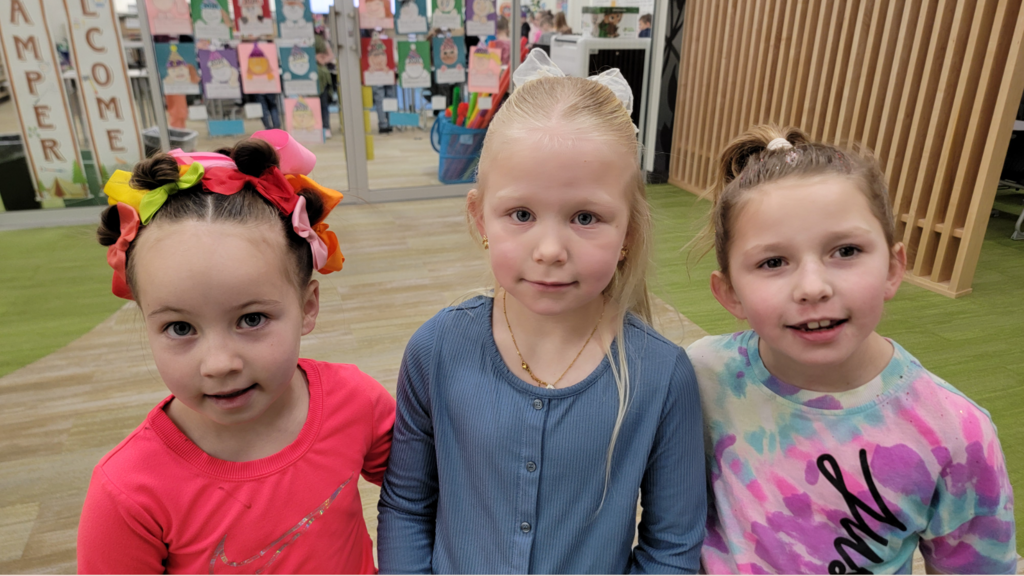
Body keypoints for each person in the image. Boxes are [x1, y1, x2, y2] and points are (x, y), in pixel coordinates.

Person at [376, 49, 706, 574]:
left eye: (585, 217)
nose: (550, 249)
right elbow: (407, 507)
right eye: (521, 214)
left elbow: (672, 546)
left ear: (630, 233)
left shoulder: (662, 376)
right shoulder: (436, 349)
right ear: (479, 217)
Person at [688, 125, 1017, 574]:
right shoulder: (701, 378)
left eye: (845, 250)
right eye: (773, 262)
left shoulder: (958, 435)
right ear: (729, 293)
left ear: (893, 268)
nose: (813, 287)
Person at [77, 132, 395, 574]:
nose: (220, 363)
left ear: (307, 307)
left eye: (251, 319)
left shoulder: (356, 402)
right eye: (180, 327)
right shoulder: (128, 490)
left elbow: (427, 493)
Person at [315, 25, 336, 138]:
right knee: (323, 105)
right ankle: (325, 128)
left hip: (320, 79)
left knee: (321, 105)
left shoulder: (324, 43)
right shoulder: (324, 43)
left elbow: (328, 57)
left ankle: (324, 128)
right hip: (323, 78)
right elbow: (330, 57)